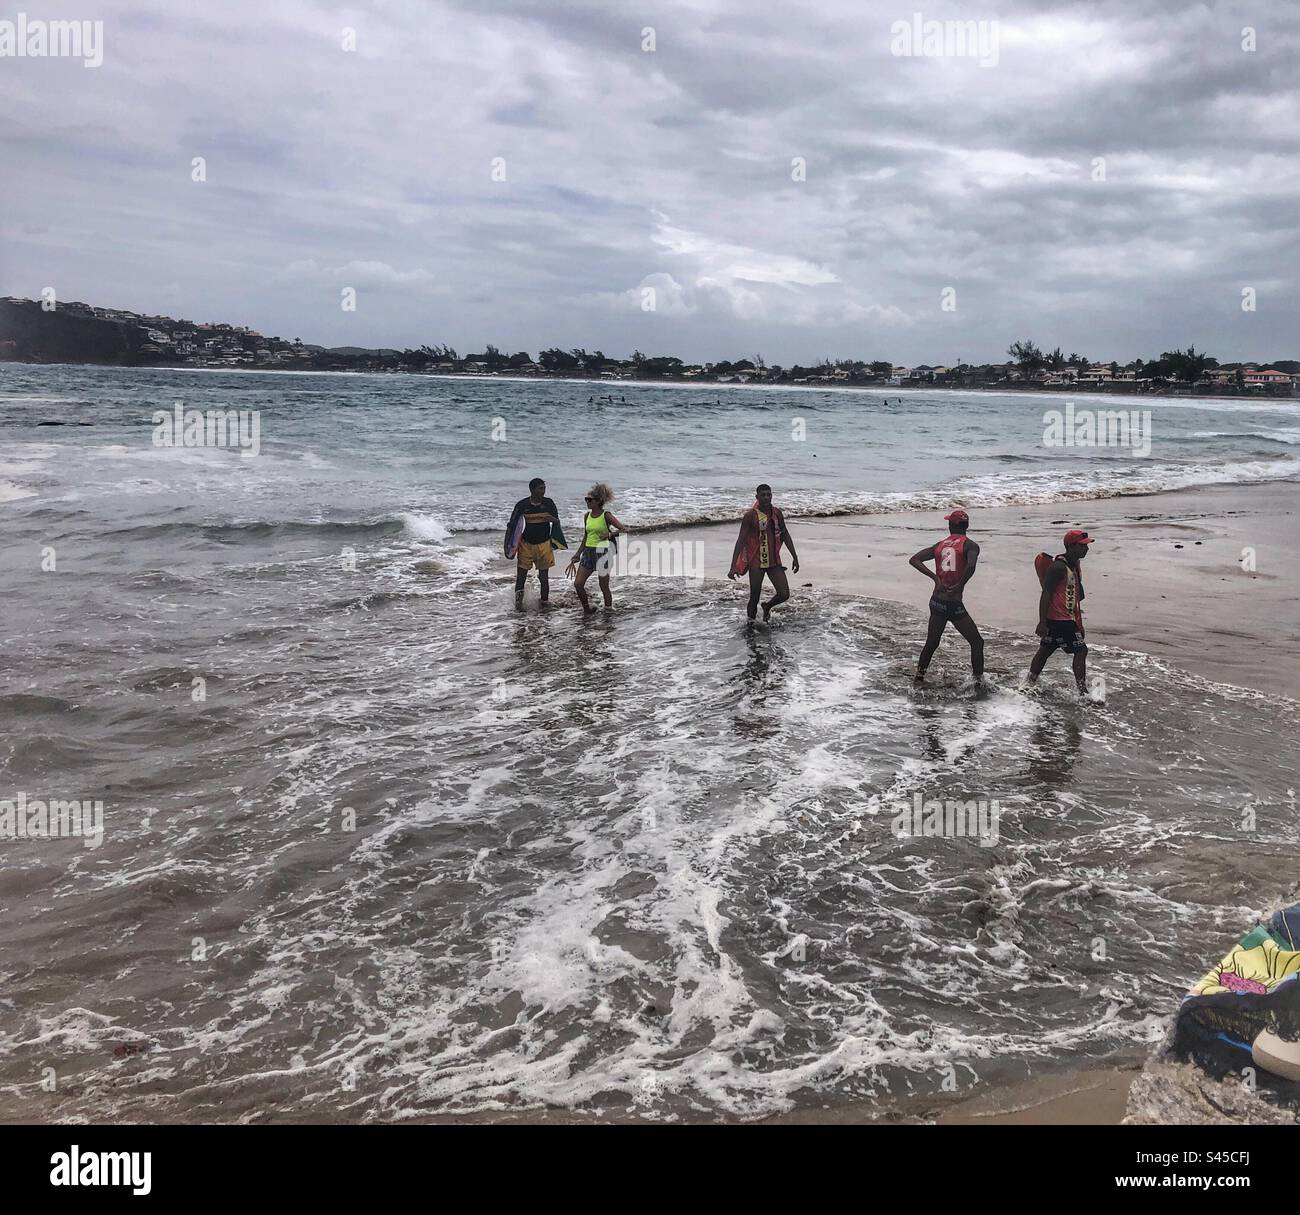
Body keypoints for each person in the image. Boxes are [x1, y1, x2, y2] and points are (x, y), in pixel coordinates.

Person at [908, 508, 984, 684]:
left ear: (950, 525)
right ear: (967, 526)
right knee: (977, 642)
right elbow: (971, 566)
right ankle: (978, 682)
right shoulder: (971, 545)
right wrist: (959, 585)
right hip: (953, 604)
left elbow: (914, 560)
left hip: (936, 601)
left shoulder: (940, 545)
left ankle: (919, 678)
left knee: (932, 643)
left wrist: (935, 578)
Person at [1028, 529, 1095, 693]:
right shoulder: (1058, 567)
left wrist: (1078, 621)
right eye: (1083, 546)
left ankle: (1028, 683)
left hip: (1064, 618)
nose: (1087, 549)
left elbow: (1078, 596)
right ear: (1071, 547)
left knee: (1046, 650)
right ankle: (1083, 692)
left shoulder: (1073, 565)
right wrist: (1042, 622)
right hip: (1060, 619)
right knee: (1081, 650)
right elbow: (1046, 593)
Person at [728, 483, 800, 622]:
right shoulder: (750, 516)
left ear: (772, 496)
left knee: (784, 594)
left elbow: (785, 534)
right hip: (756, 562)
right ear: (757, 497)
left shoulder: (777, 513)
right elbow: (740, 541)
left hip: (774, 562)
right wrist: (733, 566)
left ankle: (767, 606)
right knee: (754, 597)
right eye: (763, 495)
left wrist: (795, 557)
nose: (766, 497)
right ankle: (750, 626)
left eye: (769, 494)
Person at [566, 482, 625, 611]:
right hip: (588, 552)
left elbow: (623, 529)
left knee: (603, 586)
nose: (587, 502)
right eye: (586, 499)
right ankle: (587, 609)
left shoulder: (606, 516)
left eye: (589, 500)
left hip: (603, 553)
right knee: (578, 584)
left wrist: (610, 534)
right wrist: (577, 554)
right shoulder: (587, 516)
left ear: (598, 501)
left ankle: (608, 610)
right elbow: (586, 537)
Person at [504, 477, 562, 607]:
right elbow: (511, 526)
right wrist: (507, 546)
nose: (543, 491)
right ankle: (518, 605)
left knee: (544, 578)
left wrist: (551, 519)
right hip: (525, 545)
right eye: (540, 488)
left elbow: (557, 522)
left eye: (544, 488)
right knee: (521, 577)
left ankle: (544, 602)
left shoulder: (549, 504)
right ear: (532, 490)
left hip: (544, 545)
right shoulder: (522, 505)